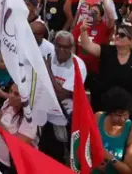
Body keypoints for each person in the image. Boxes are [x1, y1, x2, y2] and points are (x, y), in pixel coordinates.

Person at [78, 20, 132, 115]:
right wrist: (83, 31)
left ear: (131, 41)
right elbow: (87, 45)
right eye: (116, 33)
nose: (117, 36)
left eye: (121, 35)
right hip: (105, 104)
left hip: (128, 108)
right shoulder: (106, 51)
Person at [42, 31, 87, 163]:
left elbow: (62, 94)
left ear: (72, 47)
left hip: (69, 115)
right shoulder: (48, 57)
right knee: (51, 153)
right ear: (54, 45)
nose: (62, 50)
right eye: (59, 46)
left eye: (66, 47)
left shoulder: (79, 65)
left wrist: (47, 69)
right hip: (48, 114)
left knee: (73, 153)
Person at [0, 84, 38, 174]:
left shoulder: (30, 118)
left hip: (18, 164)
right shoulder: (8, 103)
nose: (11, 96)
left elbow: (18, 144)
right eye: (10, 91)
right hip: (2, 158)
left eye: (16, 94)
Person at [92, 87, 132, 174]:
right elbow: (84, 145)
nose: (123, 119)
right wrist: (93, 162)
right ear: (109, 112)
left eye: (126, 114)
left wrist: (109, 157)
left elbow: (129, 171)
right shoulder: (98, 118)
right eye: (118, 115)